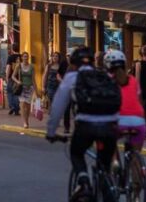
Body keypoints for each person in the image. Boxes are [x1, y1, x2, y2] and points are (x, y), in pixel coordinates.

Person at [47, 46, 120, 201]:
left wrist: (51, 132)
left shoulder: (72, 78)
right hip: (109, 127)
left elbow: (58, 106)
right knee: (105, 165)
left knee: (76, 153)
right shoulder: (105, 75)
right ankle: (107, 186)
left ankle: (84, 181)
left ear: (73, 64)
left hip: (86, 125)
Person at [104, 50, 146, 152]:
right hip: (139, 122)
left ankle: (114, 162)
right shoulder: (133, 80)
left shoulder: (108, 81)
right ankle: (139, 166)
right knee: (136, 156)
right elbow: (139, 102)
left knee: (108, 142)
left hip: (119, 121)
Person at [12, 52, 38, 128]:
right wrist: (18, 81)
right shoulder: (18, 66)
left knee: (28, 106)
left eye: (27, 56)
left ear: (28, 58)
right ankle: (24, 122)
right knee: (23, 104)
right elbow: (13, 76)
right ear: (22, 58)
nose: (25, 58)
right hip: (21, 88)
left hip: (30, 88)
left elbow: (33, 79)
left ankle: (27, 120)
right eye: (24, 56)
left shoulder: (32, 67)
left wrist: (36, 91)